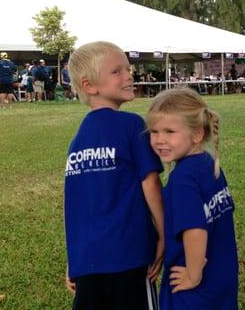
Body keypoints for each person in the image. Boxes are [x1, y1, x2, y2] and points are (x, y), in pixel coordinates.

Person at [64, 41, 164, 310]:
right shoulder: (131, 125)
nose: (128, 75)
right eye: (117, 71)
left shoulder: (78, 140)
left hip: (88, 263)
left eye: (128, 69)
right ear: (89, 86)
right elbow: (150, 181)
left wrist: (74, 259)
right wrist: (164, 234)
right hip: (129, 255)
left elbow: (74, 205)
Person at [146, 88, 238, 310]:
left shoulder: (183, 179)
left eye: (169, 131)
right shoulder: (207, 163)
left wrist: (193, 275)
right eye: (154, 131)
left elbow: (195, 230)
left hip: (192, 291)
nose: (160, 140)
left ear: (197, 134)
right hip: (222, 279)